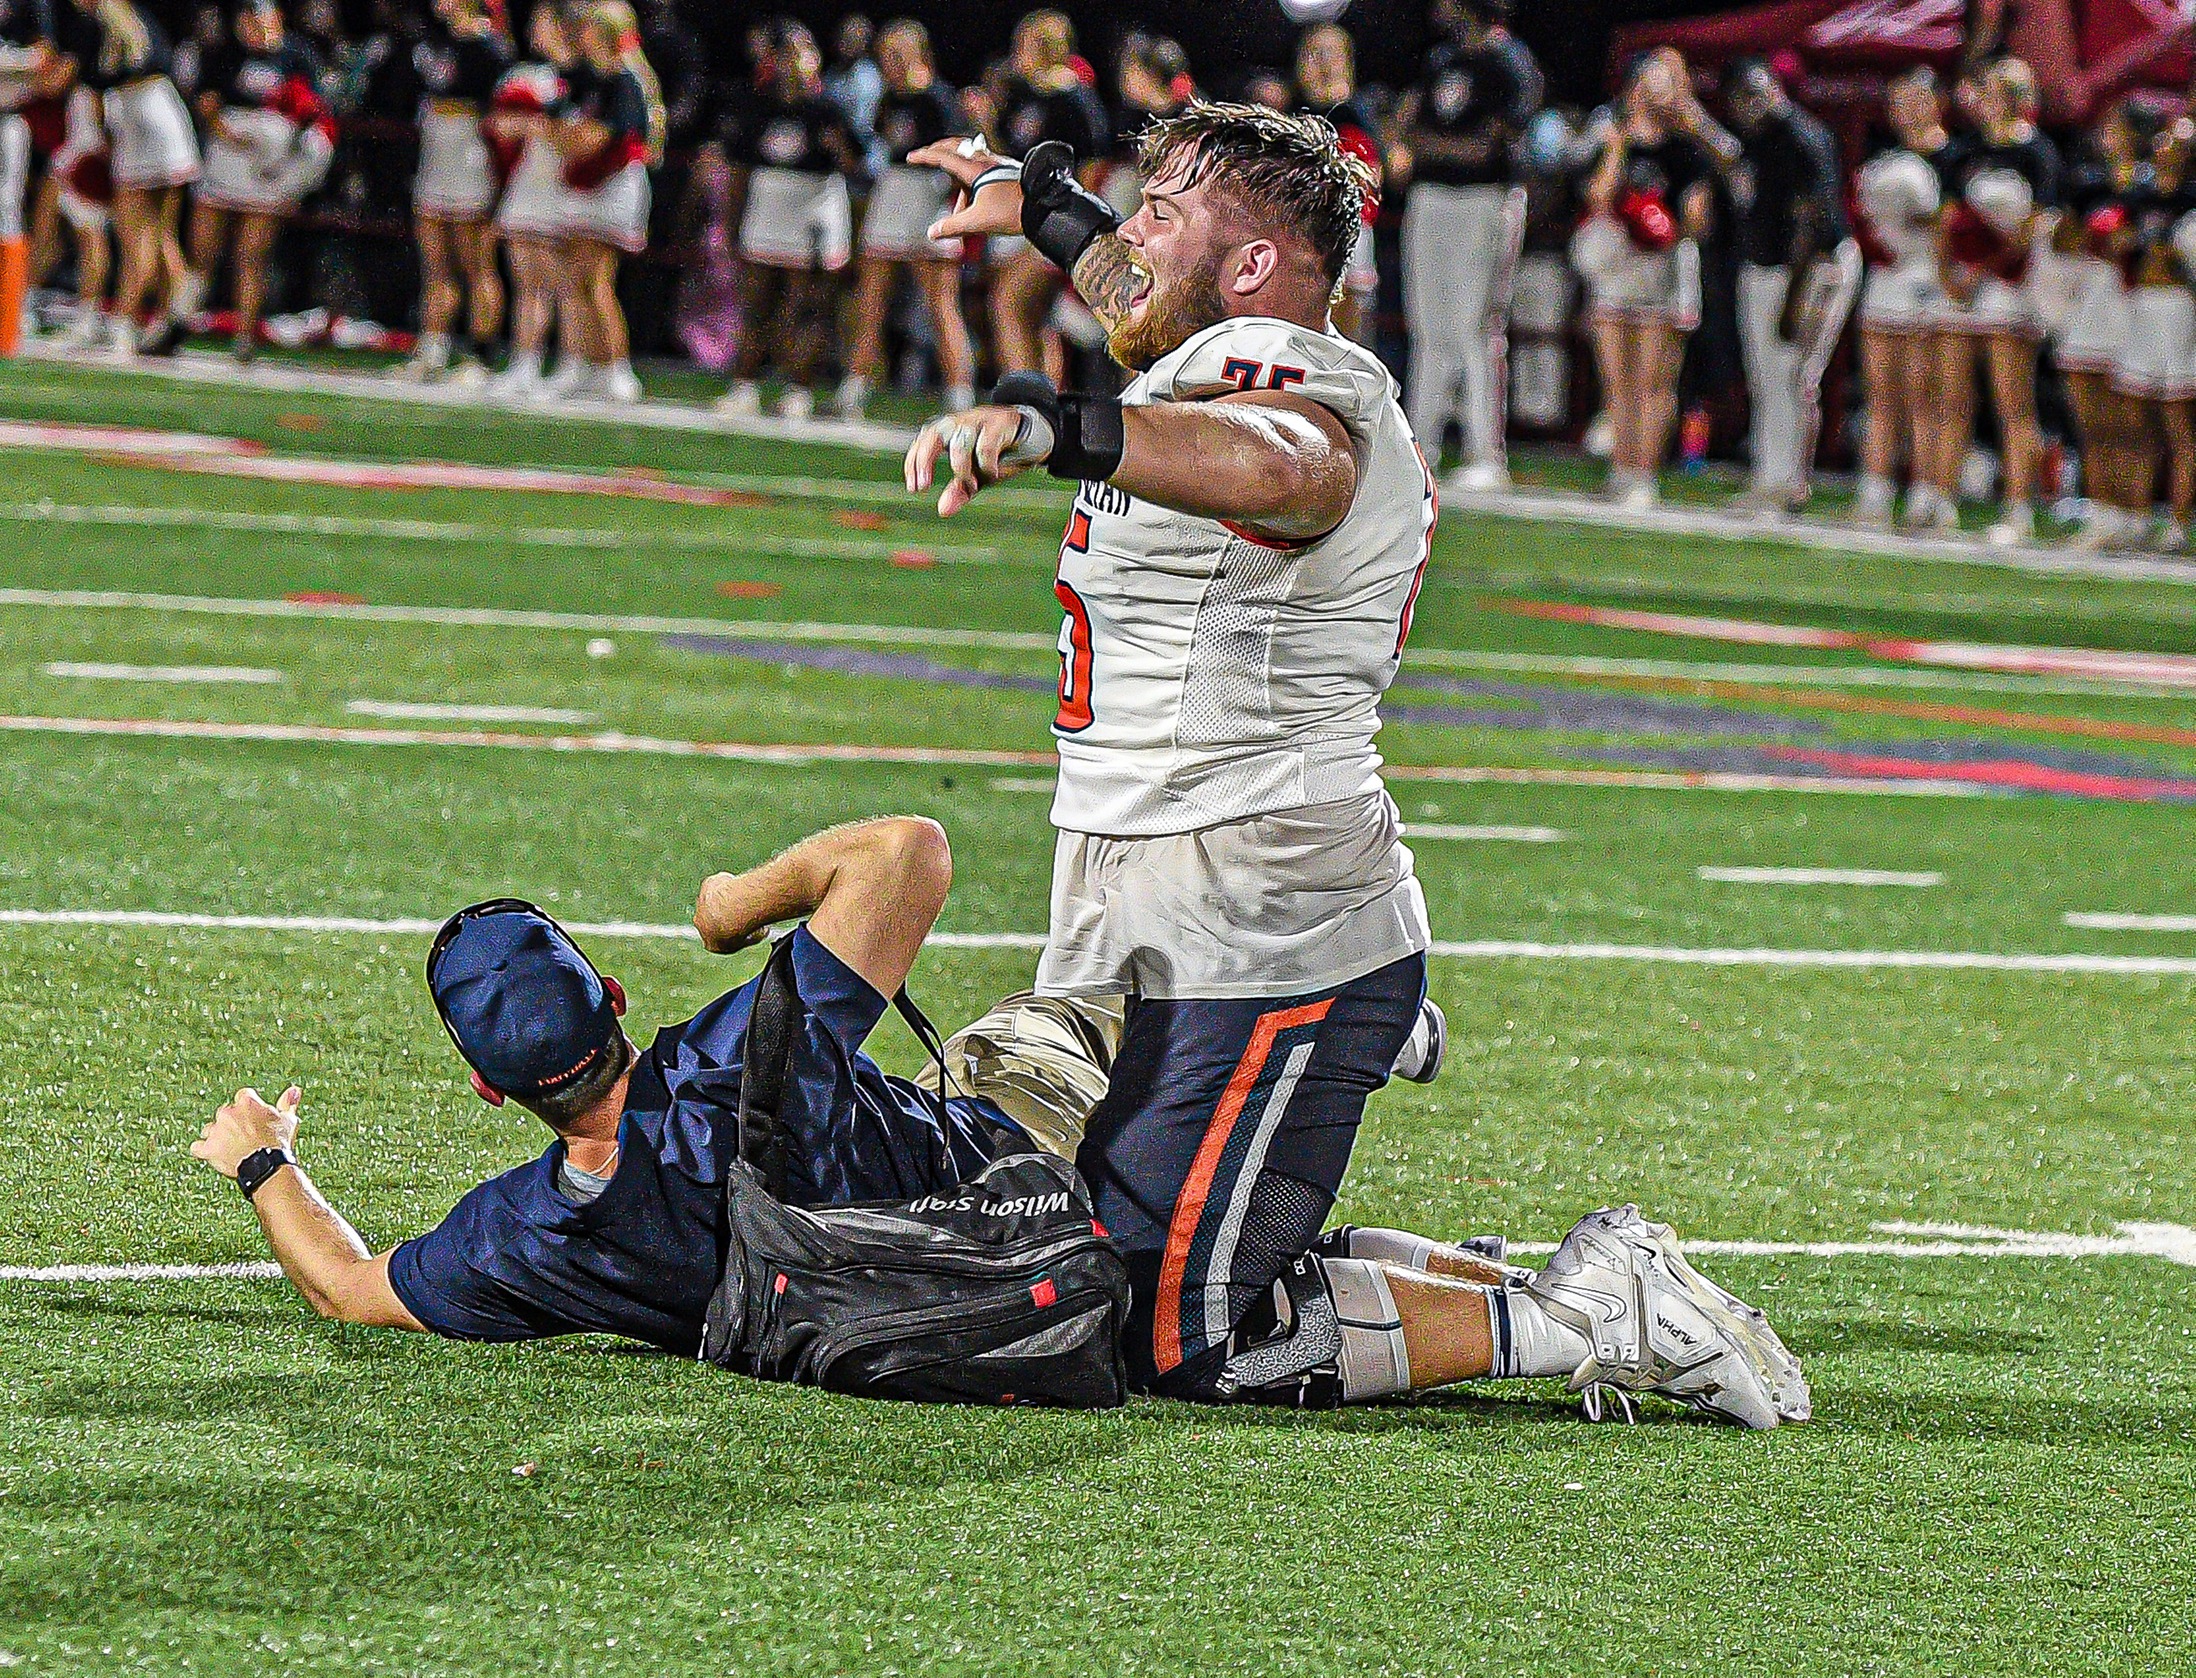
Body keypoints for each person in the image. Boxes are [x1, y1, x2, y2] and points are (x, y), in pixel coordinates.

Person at [898, 104, 1807, 1424]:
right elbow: (1149, 307)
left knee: (1181, 1337)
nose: (1129, 236)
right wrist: (1046, 211)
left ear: (1259, 268)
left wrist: (1063, 429)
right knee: (1099, 1257)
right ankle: (1525, 1281)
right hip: (1167, 882)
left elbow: (1288, 467)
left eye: (1161, 213)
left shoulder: (1288, 376)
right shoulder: (1216, 341)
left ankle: (1597, 1319)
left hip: (1267, 919)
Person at [192, 814, 1808, 1428]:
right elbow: (904, 849)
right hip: (1009, 1212)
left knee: (1042, 1032)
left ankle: (1339, 1055)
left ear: (489, 1086)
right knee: (1206, 1284)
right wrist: (726, 905)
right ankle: (1560, 1287)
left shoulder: (537, 1229)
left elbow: (347, 1283)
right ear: (605, 989)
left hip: (906, 1275)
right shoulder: (730, 1053)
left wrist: (263, 1151)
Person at [1572, 50, 1733, 509]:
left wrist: (1664, 219)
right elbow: (1598, 196)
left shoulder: (1687, 148)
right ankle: (1620, 470)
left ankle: (1644, 474)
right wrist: (1619, 143)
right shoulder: (1609, 134)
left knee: (1655, 379)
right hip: (1618, 264)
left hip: (1665, 264)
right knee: (1617, 378)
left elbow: (1698, 219)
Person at [1392, 0, 1538, 493]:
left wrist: (1429, 144)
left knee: (1477, 324)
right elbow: (1403, 126)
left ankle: (1484, 452)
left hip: (1485, 199)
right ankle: (1418, 442)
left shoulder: (1509, 63)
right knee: (1428, 322)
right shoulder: (1441, 58)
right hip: (1433, 197)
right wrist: (1440, 145)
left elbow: (1487, 148)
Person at [140, 0, 332, 362]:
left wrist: (282, 154)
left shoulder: (297, 55)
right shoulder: (223, 53)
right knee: (202, 252)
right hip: (227, 157)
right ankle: (177, 323)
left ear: (277, 18)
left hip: (269, 165)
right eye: (247, 19)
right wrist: (230, 133)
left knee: (252, 256)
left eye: (261, 18)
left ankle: (245, 339)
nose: (253, 27)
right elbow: (208, 105)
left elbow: (313, 113)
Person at [1928, 56, 2060, 546]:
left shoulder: (2038, 153)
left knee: (2012, 399)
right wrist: (1950, 274)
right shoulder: (1966, 151)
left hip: (2012, 282)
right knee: (1953, 394)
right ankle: (1939, 499)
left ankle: (2019, 506)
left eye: (1993, 90)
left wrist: (1987, 266)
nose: (1982, 99)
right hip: (1965, 283)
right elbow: (1948, 219)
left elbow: (2036, 226)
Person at [1721, 57, 1860, 517]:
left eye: (1756, 93)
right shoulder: (1756, 137)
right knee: (1767, 377)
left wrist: (1795, 299)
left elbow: (1813, 225)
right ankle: (1770, 476)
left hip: (1810, 267)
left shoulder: (1800, 136)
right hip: (1770, 263)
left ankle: (1788, 483)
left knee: (1794, 374)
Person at [713, 17, 859, 420]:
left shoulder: (829, 108)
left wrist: (840, 146)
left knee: (806, 303)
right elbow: (739, 169)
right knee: (757, 301)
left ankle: (799, 388)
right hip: (768, 206)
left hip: (813, 207)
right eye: (788, 52)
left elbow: (857, 166)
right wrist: (733, 223)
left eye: (804, 50)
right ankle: (744, 385)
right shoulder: (757, 104)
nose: (797, 60)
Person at [839, 18, 969, 420]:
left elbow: (958, 156)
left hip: (929, 193)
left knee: (940, 301)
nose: (889, 65)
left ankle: (959, 394)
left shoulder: (939, 99)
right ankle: (855, 386)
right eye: (885, 57)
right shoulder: (889, 100)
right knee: (872, 294)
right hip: (894, 189)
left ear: (918, 55)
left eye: (897, 56)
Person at [68, 0, 196, 358]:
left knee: (134, 234)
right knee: (160, 231)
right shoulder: (137, 14)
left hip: (137, 115)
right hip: (164, 108)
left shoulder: (97, 22)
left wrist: (102, 142)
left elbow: (92, 85)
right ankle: (179, 301)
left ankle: (125, 323)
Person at [984, 9, 1107, 376]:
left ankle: (1025, 402)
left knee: (1006, 302)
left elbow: (1094, 166)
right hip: (1024, 215)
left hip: (1056, 219)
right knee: (1040, 318)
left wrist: (1067, 219)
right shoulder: (1027, 96)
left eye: (1022, 44)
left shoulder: (1075, 100)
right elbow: (1008, 155)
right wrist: (987, 120)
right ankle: (1047, 405)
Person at [1851, 66, 1949, 527]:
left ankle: (1927, 492)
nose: (1904, 111)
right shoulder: (1883, 160)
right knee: (1880, 392)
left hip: (1930, 280)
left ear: (1935, 103)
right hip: (1887, 278)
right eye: (1897, 103)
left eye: (1913, 100)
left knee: (1923, 393)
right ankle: (1874, 490)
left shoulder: (1952, 157)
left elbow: (1951, 226)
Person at [2053, 97, 2152, 550]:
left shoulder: (2153, 187)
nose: (2104, 134)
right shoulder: (2089, 183)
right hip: (2089, 302)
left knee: (2131, 422)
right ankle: (2103, 511)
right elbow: (2064, 242)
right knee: (2091, 419)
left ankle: (2136, 512)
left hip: (2132, 307)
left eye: (2114, 126)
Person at [551, 0, 659, 404]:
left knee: (596, 280)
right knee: (575, 280)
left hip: (613, 185)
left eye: (590, 28)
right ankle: (584, 364)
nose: (581, 33)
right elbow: (557, 128)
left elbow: (603, 137)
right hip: (585, 184)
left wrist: (574, 140)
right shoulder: (587, 78)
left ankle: (617, 369)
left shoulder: (626, 81)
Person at [398, 0, 510, 385]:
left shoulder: (490, 48)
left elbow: (499, 112)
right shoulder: (434, 40)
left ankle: (480, 356)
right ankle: (432, 348)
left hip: (469, 151)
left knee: (476, 262)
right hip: (435, 150)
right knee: (434, 262)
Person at [2109, 116, 2196, 551]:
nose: (2167, 146)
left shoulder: (2191, 200)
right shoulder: (2140, 195)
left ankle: (2178, 522)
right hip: (2141, 305)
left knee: (2179, 423)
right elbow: (2117, 240)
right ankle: (2136, 515)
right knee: (2135, 419)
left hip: (2180, 311)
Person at [484, 0, 572, 399]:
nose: (537, 31)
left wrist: (536, 125)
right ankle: (525, 363)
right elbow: (500, 127)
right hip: (528, 182)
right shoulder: (525, 74)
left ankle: (573, 364)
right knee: (527, 282)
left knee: (565, 285)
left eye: (545, 23)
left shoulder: (580, 78)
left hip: (567, 188)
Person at [1291, 22, 1379, 346]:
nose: (1322, 63)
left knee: (1350, 342)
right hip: (1300, 242)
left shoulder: (1362, 114)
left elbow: (1375, 178)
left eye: (1330, 53)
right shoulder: (1292, 116)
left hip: (1348, 240)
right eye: (1313, 54)